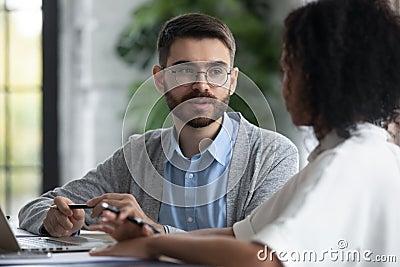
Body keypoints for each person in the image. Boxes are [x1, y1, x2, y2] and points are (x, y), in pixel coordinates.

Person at [89, 0, 400, 266]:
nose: (284, 86)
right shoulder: (358, 153)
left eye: (289, 69)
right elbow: (238, 234)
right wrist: (151, 232)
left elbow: (261, 258)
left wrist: (154, 245)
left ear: (323, 80)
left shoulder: (347, 163)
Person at [18, 13, 298, 237]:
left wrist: (156, 232)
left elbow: (259, 247)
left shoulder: (273, 155)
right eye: (185, 70)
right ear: (160, 78)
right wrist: (54, 221)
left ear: (233, 80)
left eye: (215, 71)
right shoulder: (138, 155)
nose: (201, 85)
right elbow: (37, 207)